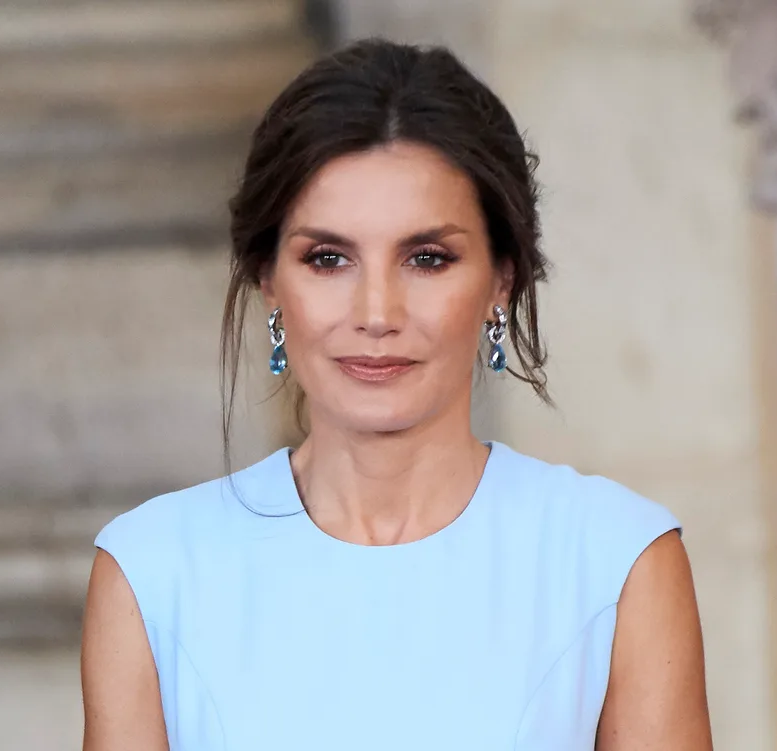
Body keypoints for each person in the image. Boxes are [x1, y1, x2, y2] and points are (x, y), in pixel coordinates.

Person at [81, 38, 712, 751]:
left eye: (426, 258)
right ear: (269, 281)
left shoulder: (615, 558)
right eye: (328, 258)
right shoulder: (153, 569)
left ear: (501, 278)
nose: (377, 312)